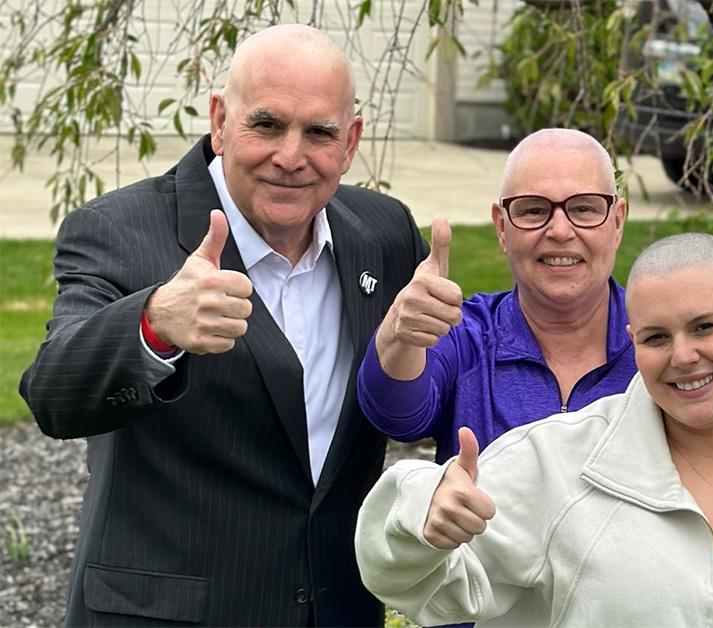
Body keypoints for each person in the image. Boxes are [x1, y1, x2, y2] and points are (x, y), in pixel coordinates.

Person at [20, 24, 426, 626]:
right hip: (170, 615)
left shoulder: (385, 233)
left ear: (351, 141)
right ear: (219, 120)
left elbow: (419, 392)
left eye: (319, 132)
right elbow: (54, 394)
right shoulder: (118, 229)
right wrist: (153, 325)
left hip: (337, 608)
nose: (291, 156)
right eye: (266, 124)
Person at [354, 233, 713, 627]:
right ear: (633, 344)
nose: (684, 356)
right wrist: (419, 515)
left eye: (706, 327)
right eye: (657, 338)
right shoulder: (559, 464)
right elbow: (416, 588)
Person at [357, 128, 637, 462]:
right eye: (533, 210)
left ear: (617, 222)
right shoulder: (468, 338)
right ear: (501, 227)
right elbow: (396, 414)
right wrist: (400, 337)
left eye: (584, 209)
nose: (560, 231)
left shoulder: (657, 343)